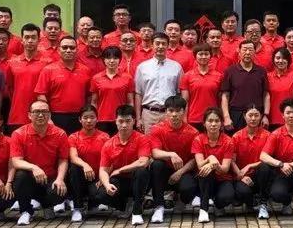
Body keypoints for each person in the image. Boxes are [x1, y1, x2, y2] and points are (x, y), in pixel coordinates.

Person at [10, 100, 69, 225]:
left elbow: (63, 159)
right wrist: (34, 168)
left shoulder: (60, 133)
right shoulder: (19, 133)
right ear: (29, 115)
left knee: (58, 191)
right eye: (36, 112)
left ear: (50, 115)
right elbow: (16, 161)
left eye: (44, 111)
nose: (41, 115)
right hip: (30, 178)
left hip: (51, 178)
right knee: (20, 176)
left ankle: (47, 206)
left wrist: (60, 179)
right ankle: (26, 211)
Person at [255, 98, 293, 220]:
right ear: (283, 115)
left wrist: (292, 164)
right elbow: (263, 156)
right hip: (281, 174)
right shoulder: (276, 134)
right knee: (264, 170)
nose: (291, 115)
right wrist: (281, 164)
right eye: (288, 113)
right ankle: (278, 203)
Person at [148, 96, 199, 224]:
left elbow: (194, 159)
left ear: (184, 111)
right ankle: (159, 207)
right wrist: (171, 154)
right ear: (166, 112)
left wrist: (180, 172)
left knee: (188, 189)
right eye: (170, 111)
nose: (174, 114)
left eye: (178, 111)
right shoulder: (157, 129)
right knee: (156, 165)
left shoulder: (193, 132)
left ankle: (185, 199)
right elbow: (154, 152)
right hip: (164, 172)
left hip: (184, 171)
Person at [98, 105, 151, 226]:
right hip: (122, 182)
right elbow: (103, 170)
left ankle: (137, 211)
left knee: (141, 171)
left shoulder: (142, 139)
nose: (124, 125)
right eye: (121, 121)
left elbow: (143, 161)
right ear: (115, 121)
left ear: (134, 121)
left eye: (128, 121)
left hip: (140, 181)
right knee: (100, 193)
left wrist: (120, 170)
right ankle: (125, 205)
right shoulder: (109, 144)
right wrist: (107, 185)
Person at [34, 36, 92, 134]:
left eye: (72, 48)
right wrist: (48, 117)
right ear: (58, 50)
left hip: (80, 117)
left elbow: (89, 96)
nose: (68, 50)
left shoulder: (86, 70)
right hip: (56, 116)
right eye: (65, 47)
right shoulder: (48, 70)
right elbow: (41, 95)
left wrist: (87, 116)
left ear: (77, 50)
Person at [66, 105, 110, 222]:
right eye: (85, 118)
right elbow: (73, 157)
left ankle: (93, 203)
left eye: (92, 117)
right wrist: (85, 165)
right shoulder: (73, 137)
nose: (89, 121)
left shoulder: (105, 137)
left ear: (97, 119)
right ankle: (77, 208)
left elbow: (110, 160)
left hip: (98, 178)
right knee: (74, 168)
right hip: (80, 178)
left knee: (101, 194)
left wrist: (104, 178)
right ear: (80, 120)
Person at [4, 24, 50, 133]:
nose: (30, 41)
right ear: (22, 40)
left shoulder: (48, 62)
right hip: (17, 116)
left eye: (33, 37)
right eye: (27, 37)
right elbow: (10, 88)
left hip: (41, 116)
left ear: (39, 40)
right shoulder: (12, 63)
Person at [192, 107, 236, 223]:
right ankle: (203, 209)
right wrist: (210, 158)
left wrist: (214, 165)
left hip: (223, 178)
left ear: (221, 123)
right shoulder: (198, 140)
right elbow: (200, 165)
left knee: (227, 197)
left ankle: (218, 204)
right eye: (210, 121)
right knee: (205, 170)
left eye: (217, 121)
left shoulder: (228, 141)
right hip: (204, 180)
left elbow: (225, 169)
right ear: (204, 123)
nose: (213, 124)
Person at [134, 33, 183, 132]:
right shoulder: (142, 67)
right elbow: (138, 94)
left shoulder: (176, 67)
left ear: (168, 46)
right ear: (152, 45)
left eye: (163, 44)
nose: (160, 46)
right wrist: (138, 118)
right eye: (157, 43)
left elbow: (180, 93)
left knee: (169, 140)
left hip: (169, 113)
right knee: (148, 141)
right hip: (149, 114)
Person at [220, 40, 269, 132]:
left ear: (255, 52)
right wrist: (226, 117)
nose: (247, 52)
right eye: (244, 49)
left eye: (250, 50)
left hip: (256, 114)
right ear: (239, 52)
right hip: (236, 114)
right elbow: (225, 96)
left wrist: (266, 115)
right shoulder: (230, 71)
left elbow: (266, 95)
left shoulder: (261, 71)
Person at [230, 105, 270, 216]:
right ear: (244, 116)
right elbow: (232, 161)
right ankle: (250, 202)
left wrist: (250, 165)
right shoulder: (237, 136)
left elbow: (270, 159)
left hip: (261, 176)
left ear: (261, 116)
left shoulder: (267, 136)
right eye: (250, 115)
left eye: (256, 115)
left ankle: (263, 202)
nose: (253, 118)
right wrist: (241, 175)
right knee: (243, 192)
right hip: (243, 176)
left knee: (265, 167)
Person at [180, 43, 225, 130]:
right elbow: (185, 101)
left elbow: (221, 101)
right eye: (200, 54)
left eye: (206, 54)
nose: (203, 57)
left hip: (213, 119)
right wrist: (184, 119)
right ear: (195, 56)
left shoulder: (219, 76)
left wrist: (222, 118)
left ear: (210, 56)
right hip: (193, 119)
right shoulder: (187, 76)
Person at [91, 46, 134, 135]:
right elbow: (94, 102)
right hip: (102, 119)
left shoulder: (127, 78)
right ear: (103, 60)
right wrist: (94, 118)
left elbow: (130, 102)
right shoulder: (96, 78)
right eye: (108, 58)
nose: (111, 61)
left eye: (115, 58)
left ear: (120, 60)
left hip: (122, 119)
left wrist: (131, 118)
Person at [262, 48, 293, 130]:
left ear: (288, 60)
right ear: (273, 59)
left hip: (290, 119)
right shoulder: (267, 77)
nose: (280, 61)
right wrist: (265, 115)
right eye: (278, 58)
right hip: (271, 119)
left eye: (284, 58)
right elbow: (265, 97)